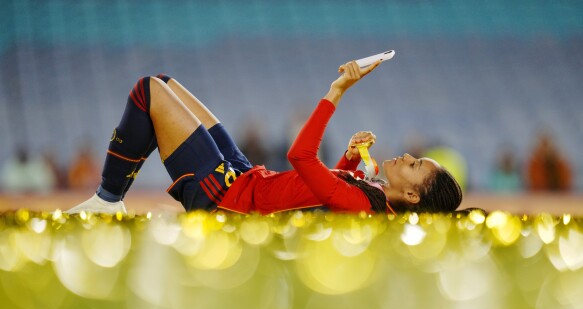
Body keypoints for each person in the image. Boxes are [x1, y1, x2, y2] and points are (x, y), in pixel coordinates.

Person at [67, 60, 462, 215]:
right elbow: (322, 194)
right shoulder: (370, 200)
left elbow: (301, 158)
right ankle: (109, 199)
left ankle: (106, 201)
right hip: (246, 180)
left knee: (148, 90)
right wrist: (349, 160)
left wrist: (336, 92)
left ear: (412, 195)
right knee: (166, 83)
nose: (408, 156)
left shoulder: (364, 204)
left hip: (228, 198)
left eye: (414, 165)